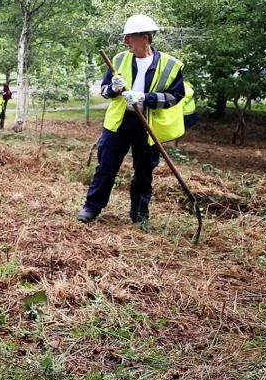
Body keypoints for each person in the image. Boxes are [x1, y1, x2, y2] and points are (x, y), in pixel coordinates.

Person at [77, 14, 186, 229]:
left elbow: (175, 96)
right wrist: (113, 89)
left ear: (145, 38)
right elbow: (105, 90)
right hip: (119, 122)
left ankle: (139, 215)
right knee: (106, 166)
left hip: (147, 124)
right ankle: (91, 207)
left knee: (144, 171)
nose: (126, 42)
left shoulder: (170, 65)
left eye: (130, 37)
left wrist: (146, 97)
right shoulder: (119, 60)